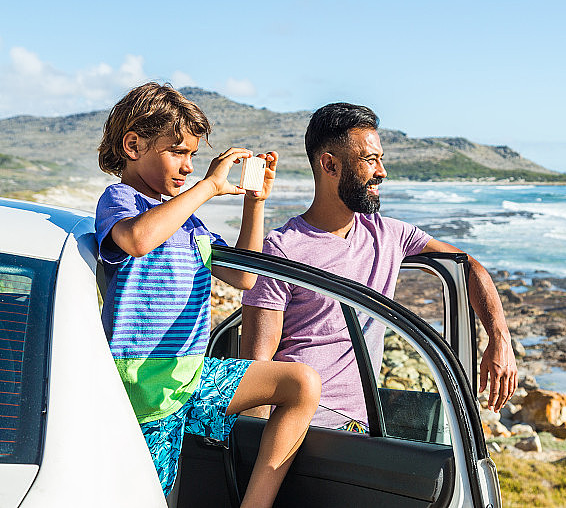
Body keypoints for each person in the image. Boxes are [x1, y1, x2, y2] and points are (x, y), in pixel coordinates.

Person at [95, 82, 320, 507]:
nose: (187, 166)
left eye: (193, 156)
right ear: (133, 145)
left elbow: (244, 276)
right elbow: (138, 239)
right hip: (143, 387)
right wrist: (208, 187)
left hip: (192, 377)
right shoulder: (121, 199)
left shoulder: (190, 224)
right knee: (151, 497)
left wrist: (254, 203)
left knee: (300, 383)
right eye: (177, 152)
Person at [240, 102, 517, 430]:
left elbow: (467, 266)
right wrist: (255, 447)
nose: (382, 172)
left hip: (362, 430)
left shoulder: (388, 235)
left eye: (380, 159)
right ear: (330, 165)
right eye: (370, 160)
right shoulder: (282, 248)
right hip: (300, 433)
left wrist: (499, 337)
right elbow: (256, 367)